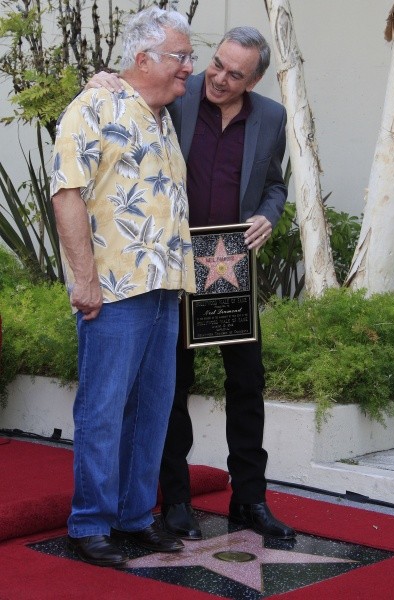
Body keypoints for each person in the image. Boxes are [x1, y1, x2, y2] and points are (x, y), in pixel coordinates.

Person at [89, 26, 295, 542]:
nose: (219, 79)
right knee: (171, 386)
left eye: (235, 74)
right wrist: (103, 79)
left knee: (246, 385)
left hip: (229, 266)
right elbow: (131, 85)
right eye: (218, 65)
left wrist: (269, 214)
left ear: (257, 79)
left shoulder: (271, 117)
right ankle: (175, 500)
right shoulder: (178, 94)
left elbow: (274, 182)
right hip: (174, 265)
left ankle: (250, 500)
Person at [51, 7, 197, 567]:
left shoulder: (163, 114)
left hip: (164, 285)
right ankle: (89, 525)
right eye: (181, 56)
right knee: (105, 408)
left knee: (153, 408)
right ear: (144, 59)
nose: (191, 66)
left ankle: (135, 518)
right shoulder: (95, 105)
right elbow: (68, 192)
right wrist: (84, 279)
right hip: (113, 288)